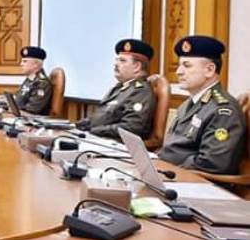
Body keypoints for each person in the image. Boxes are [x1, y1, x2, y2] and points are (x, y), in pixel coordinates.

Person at [159, 35, 246, 174]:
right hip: (170, 172)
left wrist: (167, 167)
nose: (178, 72)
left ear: (209, 70)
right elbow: (174, 148)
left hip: (194, 180)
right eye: (179, 65)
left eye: (187, 65)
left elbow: (212, 163)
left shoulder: (223, 110)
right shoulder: (190, 103)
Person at [76, 39, 156, 140]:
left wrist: (93, 131)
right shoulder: (119, 88)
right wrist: (75, 127)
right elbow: (99, 118)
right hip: (98, 138)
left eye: (122, 61)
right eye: (117, 60)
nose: (116, 64)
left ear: (137, 66)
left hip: (114, 143)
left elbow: (131, 128)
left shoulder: (141, 92)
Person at [13, 46, 52, 115]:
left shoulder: (42, 83)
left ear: (35, 65)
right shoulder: (30, 79)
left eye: (25, 61)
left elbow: (32, 111)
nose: (21, 64)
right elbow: (19, 100)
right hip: (19, 115)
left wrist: (8, 112)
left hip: (30, 119)